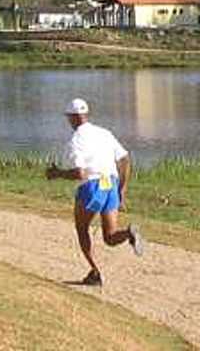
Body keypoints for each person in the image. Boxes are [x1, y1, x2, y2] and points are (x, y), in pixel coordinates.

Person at [46, 98, 144, 286]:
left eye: (68, 118)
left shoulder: (75, 140)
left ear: (72, 118)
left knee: (82, 229)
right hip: (110, 183)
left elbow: (80, 173)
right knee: (110, 236)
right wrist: (122, 189)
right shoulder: (104, 133)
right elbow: (124, 159)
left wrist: (56, 173)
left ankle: (95, 272)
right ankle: (129, 234)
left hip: (92, 186)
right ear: (86, 115)